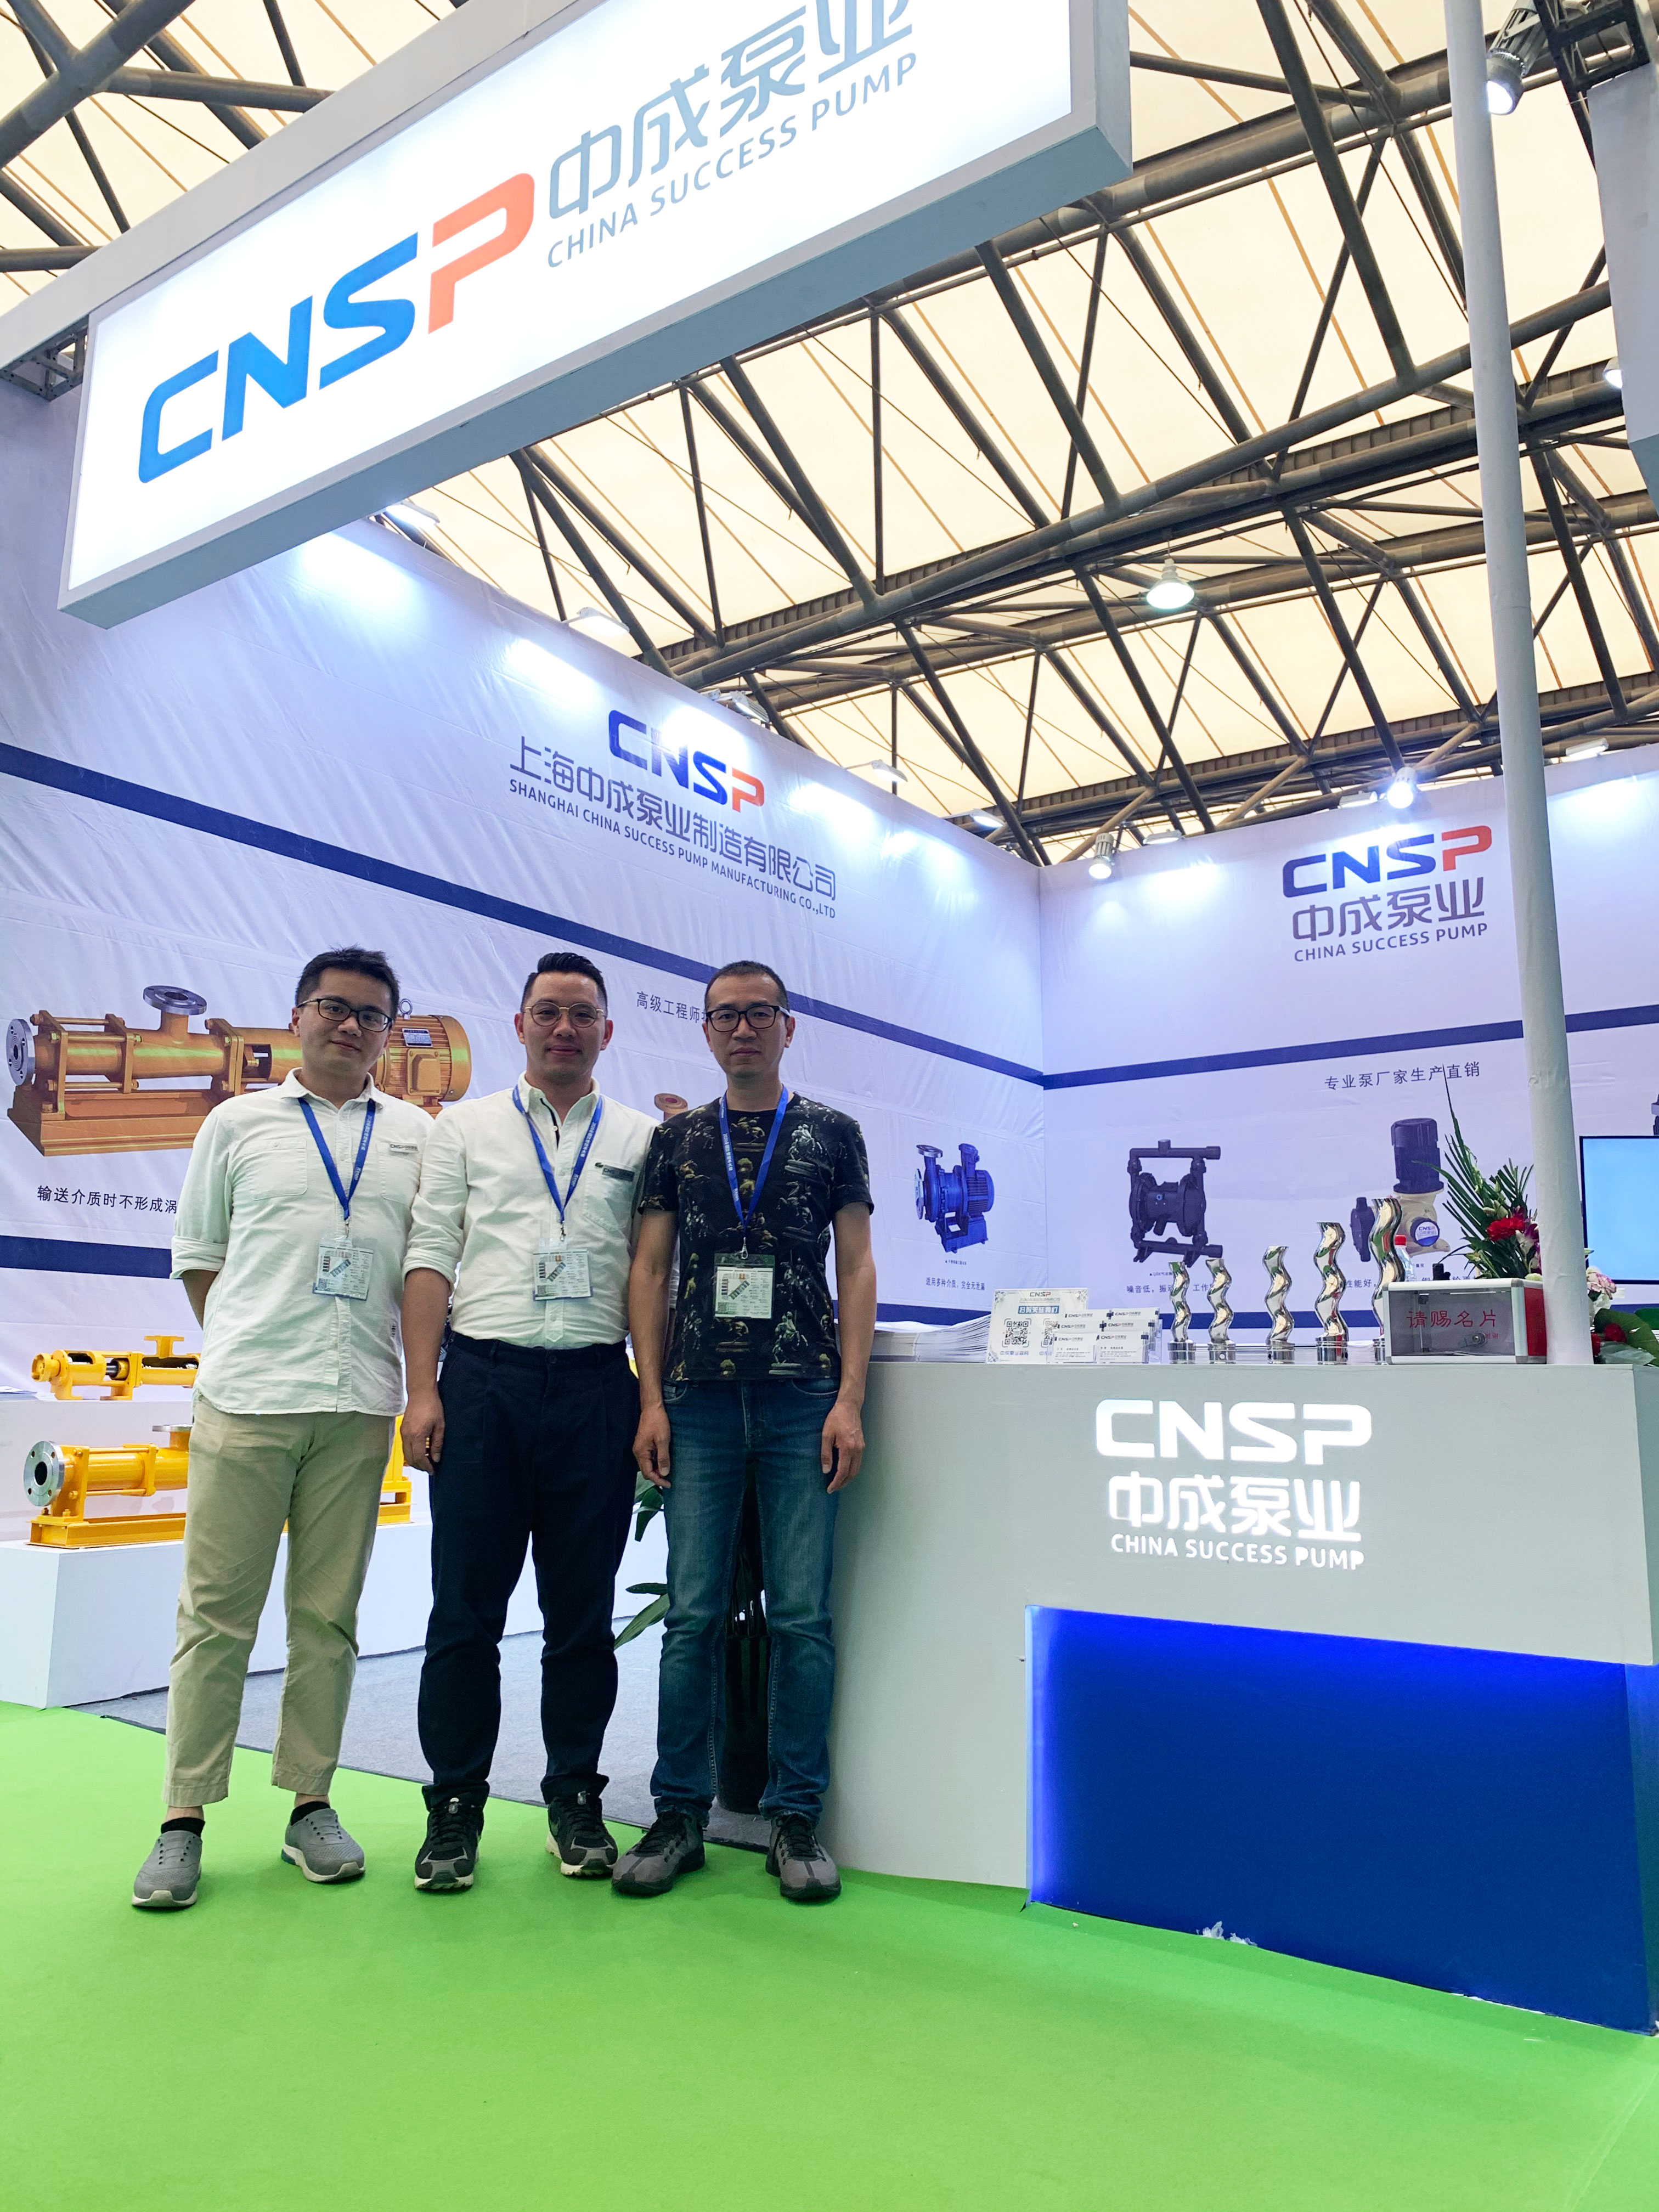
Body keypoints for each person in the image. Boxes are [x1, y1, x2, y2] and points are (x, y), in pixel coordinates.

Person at [133, 948, 430, 1909]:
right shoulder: (236, 1122)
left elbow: (428, 1268)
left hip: (358, 1404)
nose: (350, 1026)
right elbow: (200, 1258)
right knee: (215, 1617)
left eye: (370, 1015)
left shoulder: (416, 1137)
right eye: (333, 1008)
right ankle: (183, 1819)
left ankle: (311, 1804)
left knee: (327, 1620)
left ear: (389, 1033)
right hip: (248, 1398)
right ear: (298, 1016)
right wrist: (252, 1339)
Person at [616, 958, 877, 1904]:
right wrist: (650, 1400)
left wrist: (850, 1399)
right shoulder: (679, 1139)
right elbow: (650, 1270)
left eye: (758, 1013)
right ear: (706, 1030)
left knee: (801, 1616)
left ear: (787, 1026)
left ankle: (793, 1816)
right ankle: (679, 1813)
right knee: (692, 1616)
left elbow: (856, 1267)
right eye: (724, 1016)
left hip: (804, 1397)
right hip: (697, 1402)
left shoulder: (833, 1133)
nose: (742, 1029)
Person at [401, 952, 656, 1892]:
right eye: (547, 1012)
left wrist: (650, 1399)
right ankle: (454, 1807)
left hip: (595, 1389)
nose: (563, 1029)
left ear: (607, 1032)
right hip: (484, 1384)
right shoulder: (462, 1128)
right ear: (518, 1026)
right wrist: (423, 1390)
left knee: (581, 1615)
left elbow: (651, 1274)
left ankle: (574, 1798)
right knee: (464, 1610)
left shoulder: (640, 1138)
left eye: (581, 1015)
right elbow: (431, 1256)